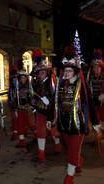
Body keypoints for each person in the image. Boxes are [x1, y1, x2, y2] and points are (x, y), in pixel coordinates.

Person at [56, 45, 100, 184]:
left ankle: (69, 177)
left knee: (73, 150)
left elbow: (90, 104)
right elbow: (55, 102)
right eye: (66, 70)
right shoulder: (60, 85)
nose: (67, 73)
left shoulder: (82, 85)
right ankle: (78, 160)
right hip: (63, 124)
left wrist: (95, 122)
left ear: (75, 72)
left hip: (78, 124)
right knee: (70, 148)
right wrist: (52, 117)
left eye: (70, 70)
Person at [31, 49, 62, 162]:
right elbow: (33, 95)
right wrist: (33, 101)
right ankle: (41, 153)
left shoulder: (52, 82)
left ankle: (58, 144)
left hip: (50, 110)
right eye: (39, 72)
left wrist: (50, 103)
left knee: (53, 130)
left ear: (47, 72)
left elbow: (56, 98)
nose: (41, 74)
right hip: (39, 110)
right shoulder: (36, 82)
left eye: (43, 72)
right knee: (40, 131)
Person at [16, 68, 36, 147]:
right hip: (20, 109)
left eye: (24, 77)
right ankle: (21, 141)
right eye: (21, 78)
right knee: (20, 125)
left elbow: (33, 98)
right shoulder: (17, 87)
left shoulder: (30, 87)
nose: (23, 79)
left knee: (31, 124)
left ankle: (37, 135)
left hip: (28, 109)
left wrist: (31, 106)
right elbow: (15, 98)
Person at [86, 49, 104, 138]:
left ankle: (102, 131)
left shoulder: (103, 75)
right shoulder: (90, 75)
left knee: (103, 116)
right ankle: (97, 133)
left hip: (102, 100)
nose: (96, 69)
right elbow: (88, 86)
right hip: (93, 99)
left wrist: (103, 94)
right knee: (95, 116)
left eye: (98, 67)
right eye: (95, 67)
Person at [8, 65, 19, 140]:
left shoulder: (20, 88)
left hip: (21, 107)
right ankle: (15, 133)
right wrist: (11, 104)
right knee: (14, 119)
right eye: (13, 79)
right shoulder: (11, 89)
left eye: (16, 79)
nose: (14, 81)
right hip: (14, 107)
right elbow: (10, 98)